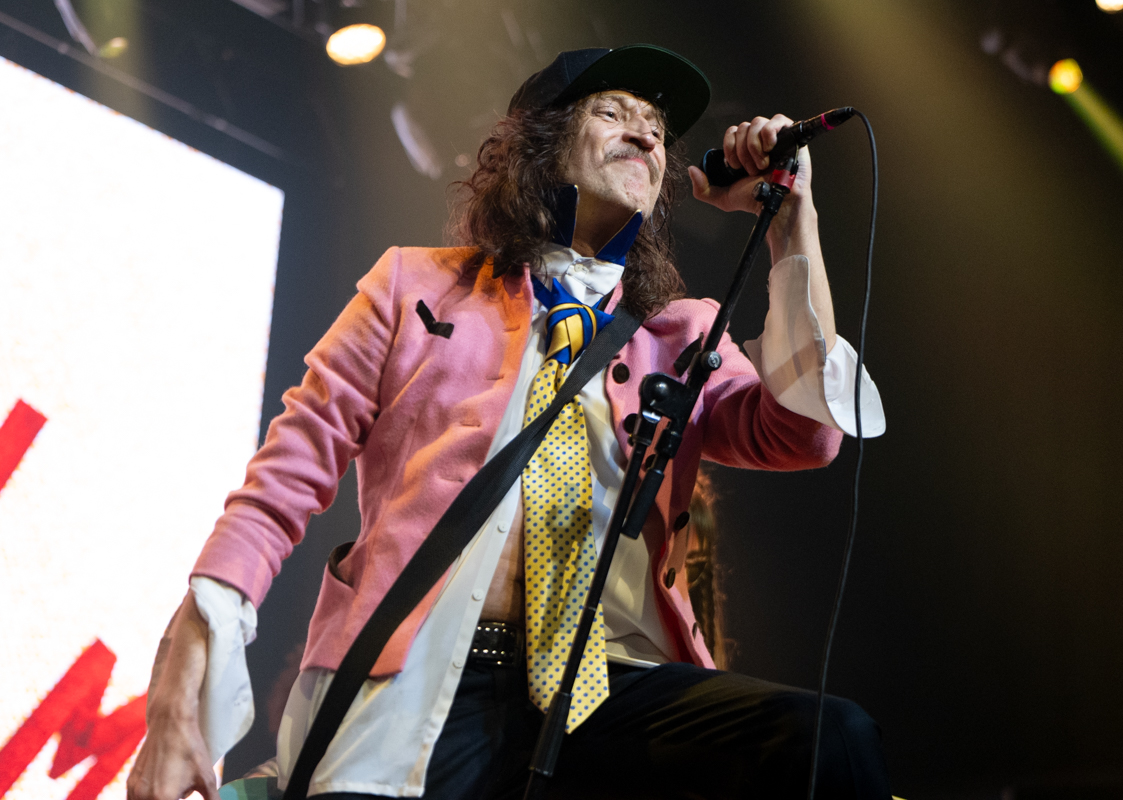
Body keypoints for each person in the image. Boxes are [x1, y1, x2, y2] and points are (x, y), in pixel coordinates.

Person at [127, 44, 888, 800]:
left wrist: (792, 218)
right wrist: (176, 691)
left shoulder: (679, 335)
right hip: (421, 680)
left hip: (606, 691)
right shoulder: (414, 288)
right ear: (543, 144)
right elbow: (279, 488)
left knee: (828, 739)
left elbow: (807, 432)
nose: (646, 135)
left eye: (658, 129)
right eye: (614, 112)